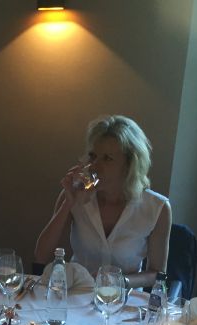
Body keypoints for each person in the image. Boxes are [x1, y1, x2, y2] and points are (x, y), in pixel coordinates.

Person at [34, 115, 172, 288]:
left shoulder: (157, 208)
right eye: (93, 156)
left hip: (124, 298)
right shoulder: (75, 196)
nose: (95, 166)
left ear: (130, 165)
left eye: (107, 158)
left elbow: (157, 274)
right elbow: (41, 256)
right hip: (77, 293)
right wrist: (67, 204)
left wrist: (120, 281)